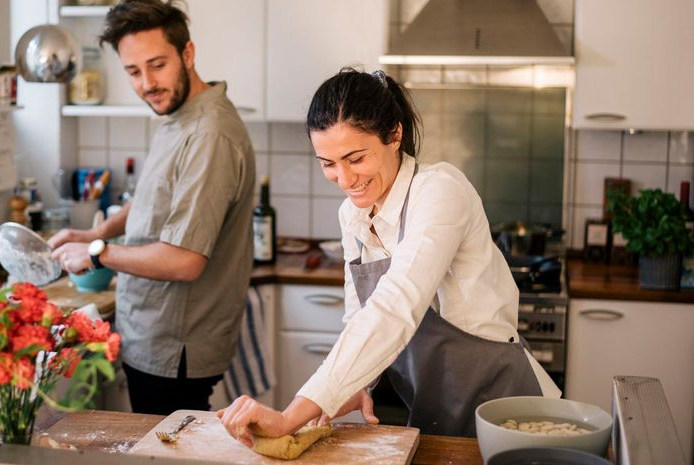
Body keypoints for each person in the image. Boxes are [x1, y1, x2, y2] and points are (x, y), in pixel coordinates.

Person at [219, 68, 560, 442]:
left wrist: (290, 416)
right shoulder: (352, 215)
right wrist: (357, 383)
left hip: (504, 407)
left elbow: (396, 305)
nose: (345, 180)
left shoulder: (439, 191)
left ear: (395, 135)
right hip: (434, 408)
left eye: (355, 158)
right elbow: (359, 318)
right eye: (328, 164)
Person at [48, 0, 256, 415]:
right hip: (151, 331)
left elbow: (185, 261)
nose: (147, 83)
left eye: (157, 65)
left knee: (167, 452)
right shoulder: (179, 115)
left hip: (174, 343)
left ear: (188, 54)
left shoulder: (209, 135)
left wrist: (96, 254)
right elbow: (153, 201)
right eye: (133, 71)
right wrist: (96, 233)